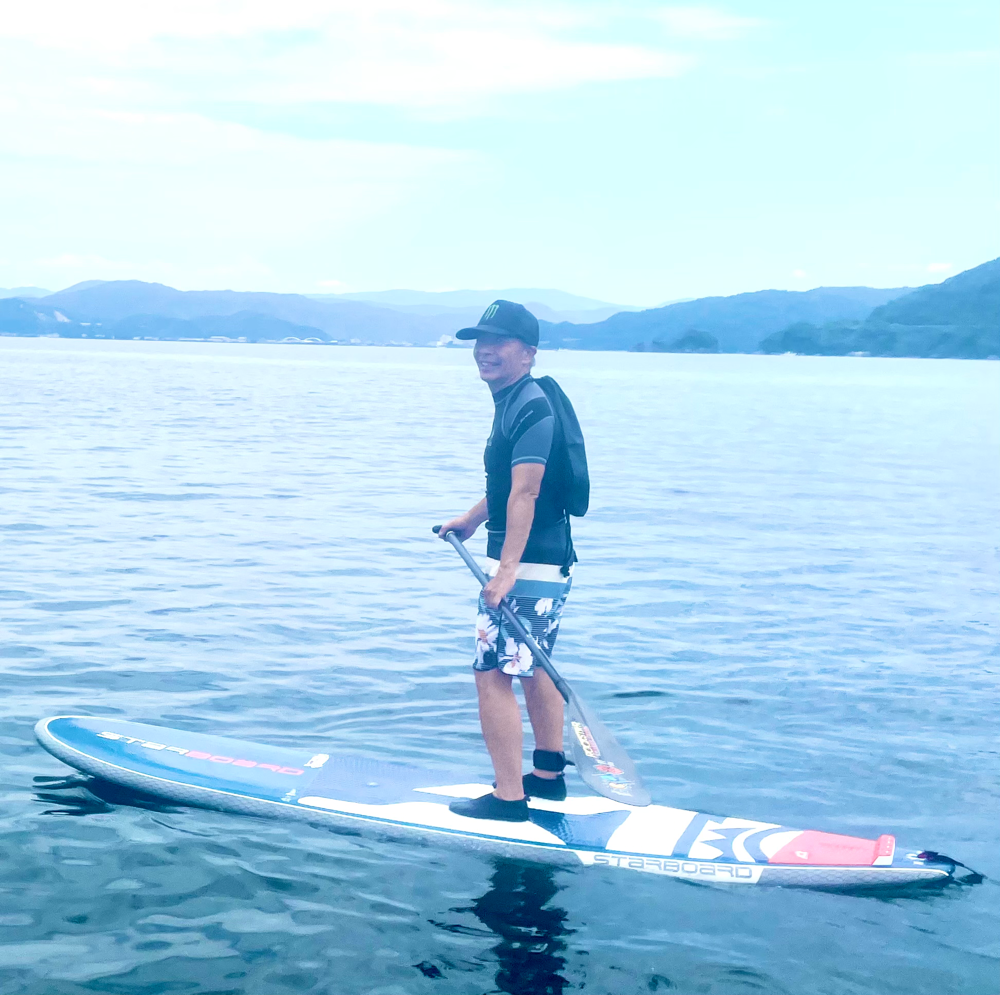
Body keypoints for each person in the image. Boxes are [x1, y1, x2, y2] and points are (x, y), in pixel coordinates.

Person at [438, 300, 580, 822]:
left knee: (492, 673)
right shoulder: (520, 401)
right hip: (544, 563)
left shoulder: (530, 406)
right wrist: (473, 519)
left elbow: (527, 492)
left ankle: (508, 798)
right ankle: (547, 777)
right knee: (532, 667)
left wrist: (505, 571)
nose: (485, 350)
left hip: (527, 566)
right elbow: (506, 487)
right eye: (481, 341)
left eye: (499, 341)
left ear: (529, 353)